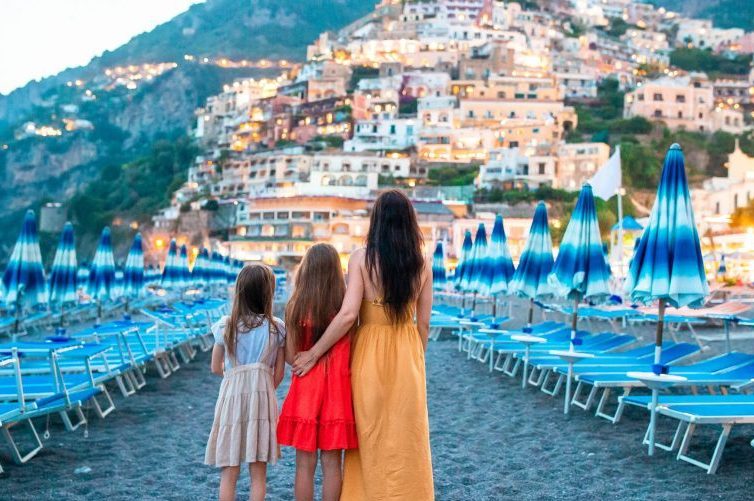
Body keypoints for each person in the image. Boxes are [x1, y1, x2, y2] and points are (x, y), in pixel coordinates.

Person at [293, 190, 435, 500]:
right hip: (407, 349)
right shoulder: (423, 262)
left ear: (377, 221)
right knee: (406, 433)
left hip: (368, 349)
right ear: (410, 222)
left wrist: (315, 353)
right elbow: (423, 322)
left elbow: (347, 316)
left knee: (367, 433)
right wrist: (415, 355)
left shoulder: (362, 257)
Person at [278, 243, 358, 501]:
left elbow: (291, 357)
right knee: (333, 466)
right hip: (337, 393)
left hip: (306, 392)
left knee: (304, 466)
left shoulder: (295, 306)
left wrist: (309, 357)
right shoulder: (345, 308)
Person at [205, 264, 286, 501]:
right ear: (268, 293)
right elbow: (279, 373)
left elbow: (214, 367)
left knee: (229, 471)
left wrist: (236, 379)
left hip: (231, 398)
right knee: (258, 473)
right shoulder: (276, 327)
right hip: (262, 399)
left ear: (239, 291)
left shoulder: (226, 325)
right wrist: (260, 385)